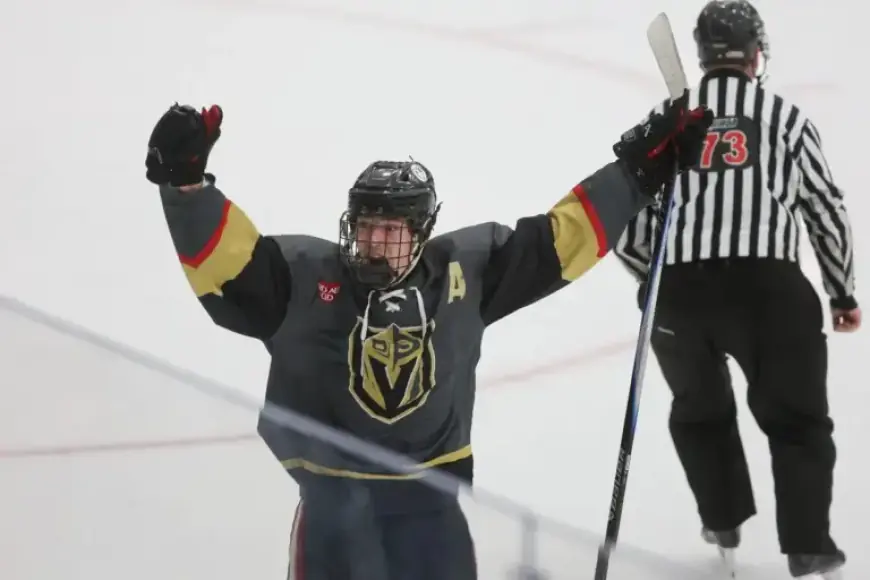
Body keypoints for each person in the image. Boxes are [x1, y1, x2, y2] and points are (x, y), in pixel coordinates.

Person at [144, 98, 712, 579]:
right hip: (331, 511)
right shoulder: (305, 280)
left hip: (430, 511)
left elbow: (558, 242)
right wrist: (187, 187)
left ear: (420, 233)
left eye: (390, 230)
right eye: (365, 227)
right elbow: (229, 268)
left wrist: (636, 175)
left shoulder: (464, 275)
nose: (374, 243)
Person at [614, 1, 857, 578]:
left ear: (701, 55)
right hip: (770, 292)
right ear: (755, 54)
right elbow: (825, 210)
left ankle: (722, 523)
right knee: (797, 420)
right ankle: (808, 546)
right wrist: (841, 291)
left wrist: (659, 280)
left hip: (680, 296)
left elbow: (628, 227)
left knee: (699, 414)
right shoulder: (784, 118)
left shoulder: (665, 120)